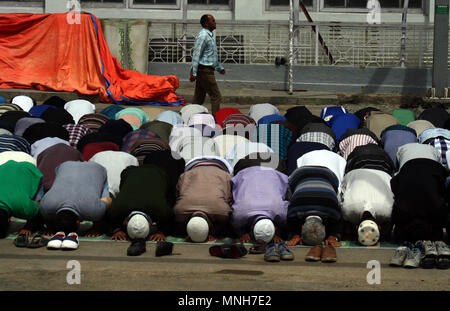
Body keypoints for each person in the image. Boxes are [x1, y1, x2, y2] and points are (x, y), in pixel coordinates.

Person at [39, 161, 112, 250]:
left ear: (78, 222)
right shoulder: (45, 206)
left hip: (93, 169)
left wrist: (97, 216)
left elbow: (107, 200)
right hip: (66, 166)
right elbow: (108, 200)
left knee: (103, 201)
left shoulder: (93, 211)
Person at [174, 156, 233, 242]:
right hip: (207, 166)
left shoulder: (221, 212)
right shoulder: (179, 212)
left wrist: (212, 233)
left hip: (203, 167)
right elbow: (230, 199)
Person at [190, 14, 225, 116]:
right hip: (205, 71)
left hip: (206, 70)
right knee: (216, 96)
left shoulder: (209, 36)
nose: (215, 22)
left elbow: (211, 55)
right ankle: (215, 121)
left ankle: (189, 116)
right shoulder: (203, 36)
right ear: (206, 23)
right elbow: (197, 54)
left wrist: (219, 68)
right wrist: (194, 72)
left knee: (198, 98)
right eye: (213, 21)